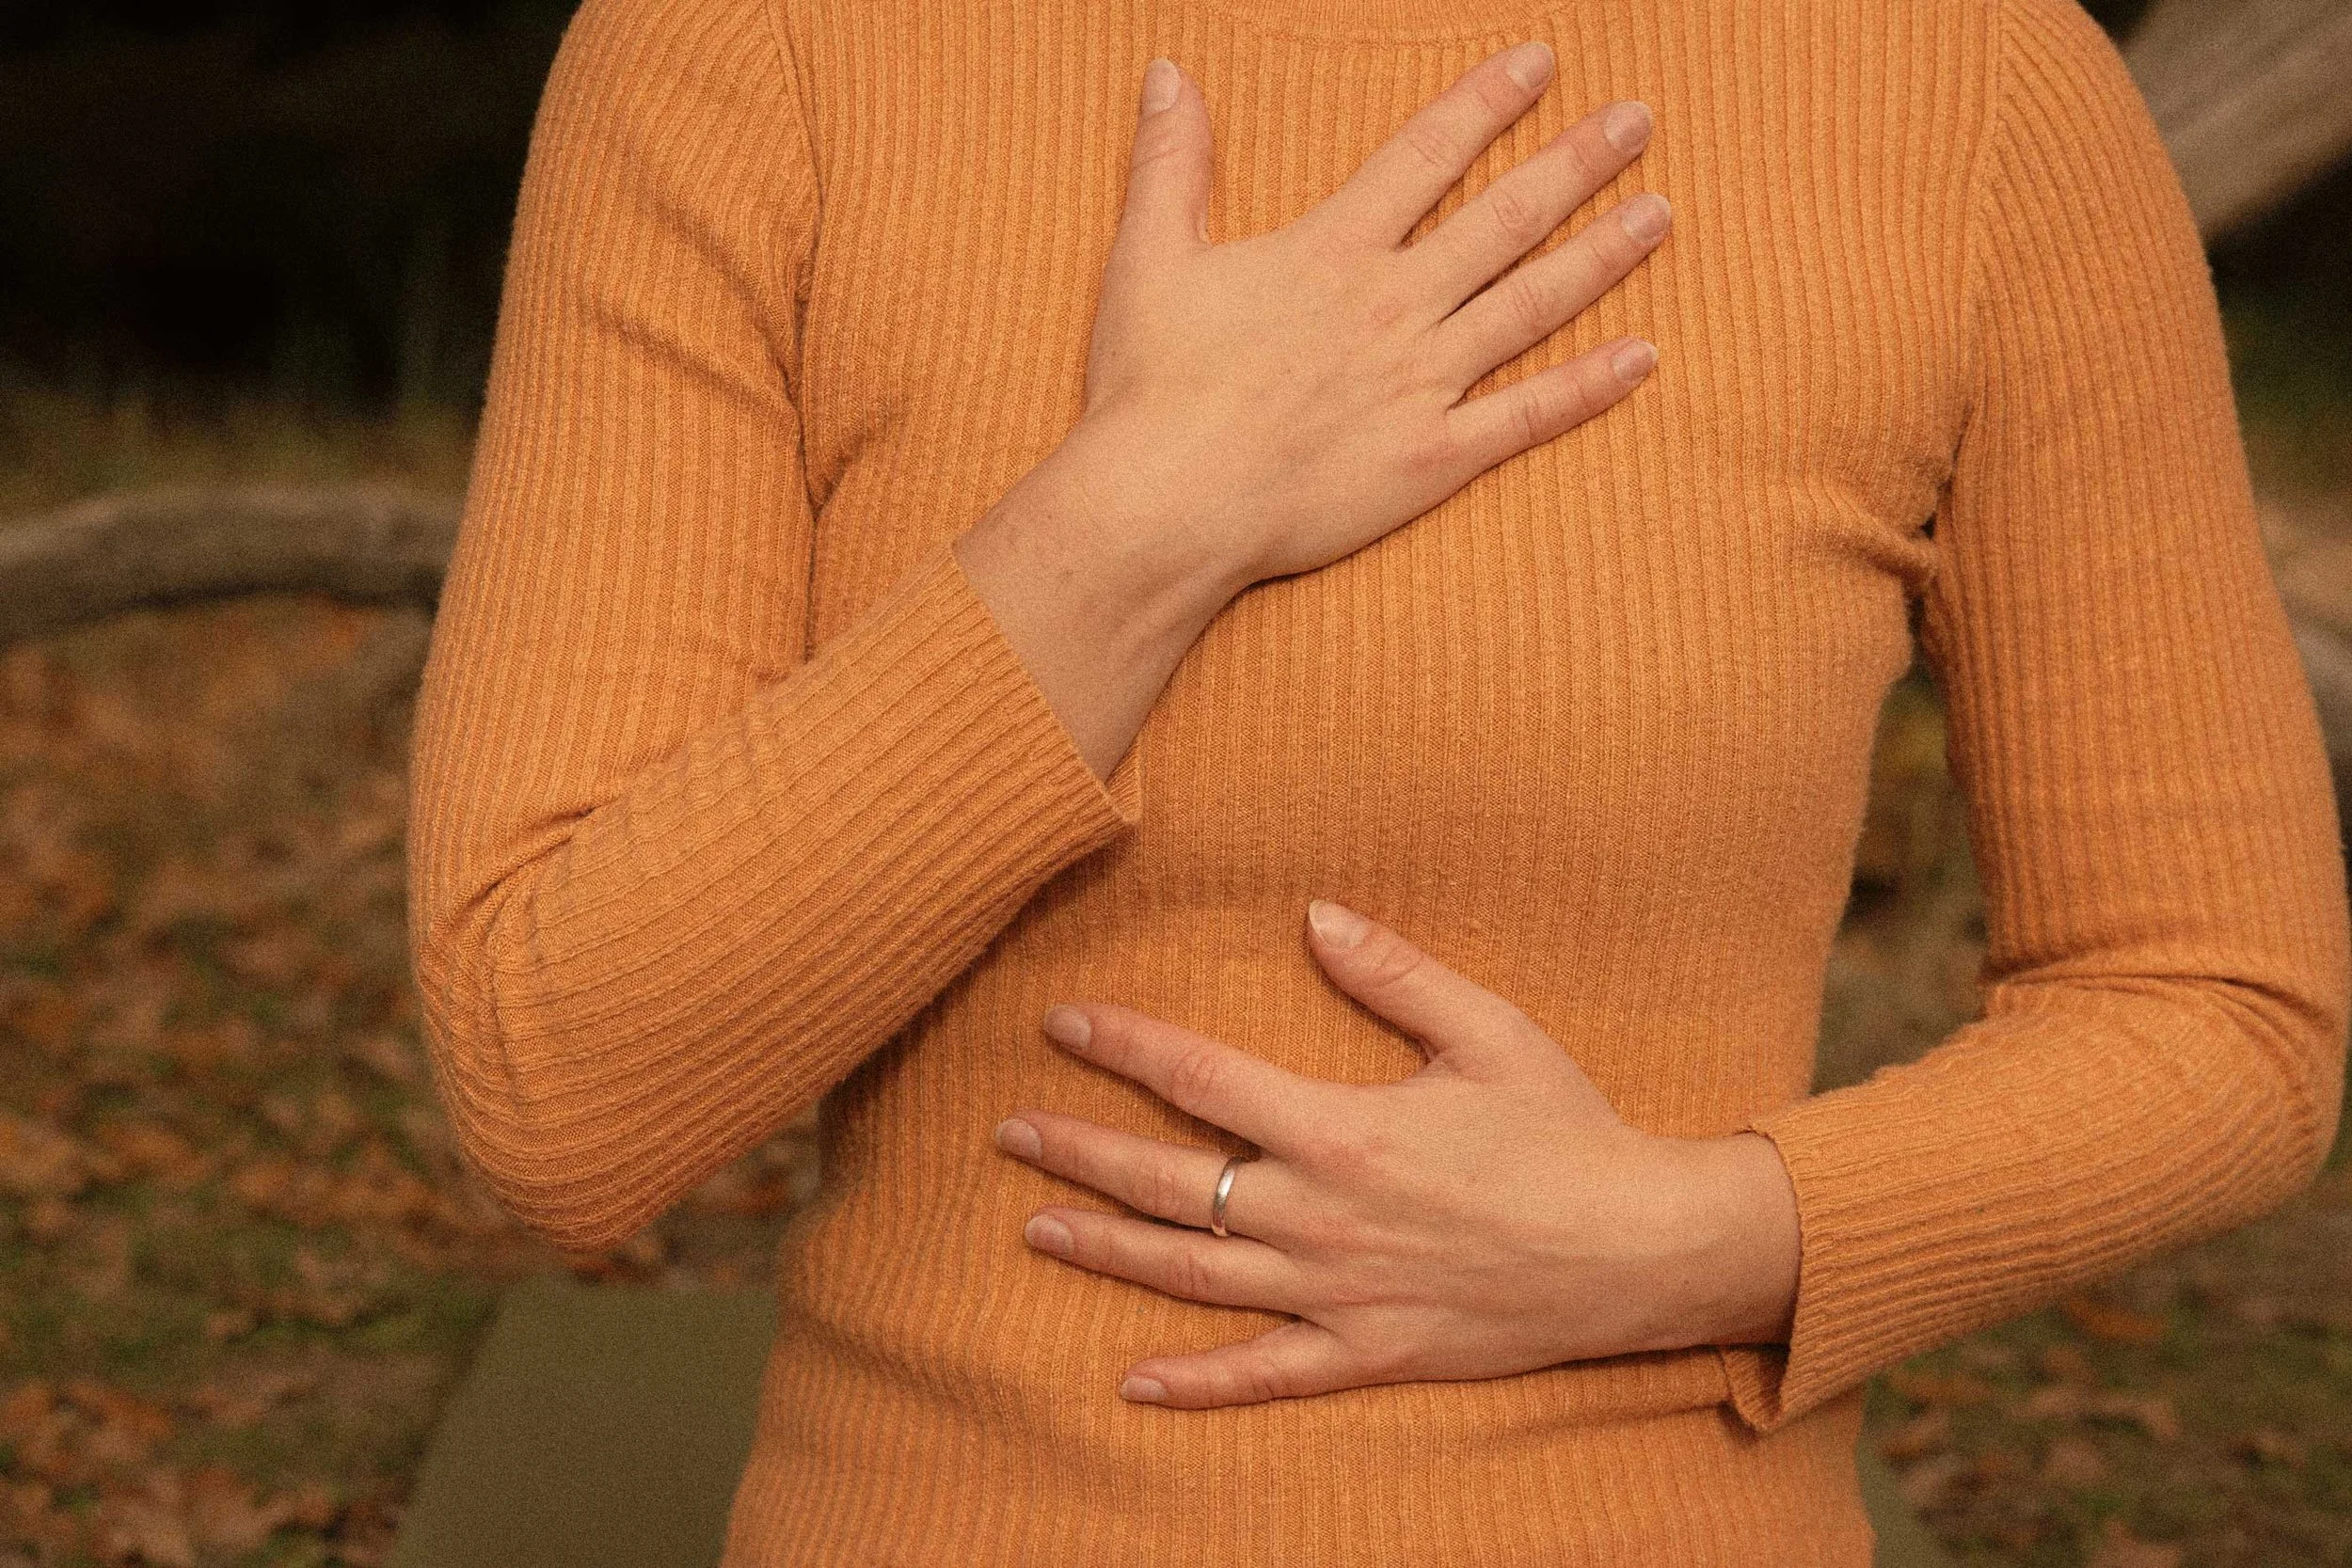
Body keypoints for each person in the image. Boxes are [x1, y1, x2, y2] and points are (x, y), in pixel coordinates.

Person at [403, 0, 2350, 1559]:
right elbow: (554, 1076)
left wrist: (1702, 1237)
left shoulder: (1972, 83)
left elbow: (2218, 1005)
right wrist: (1147, 514)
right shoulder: (748, 51)